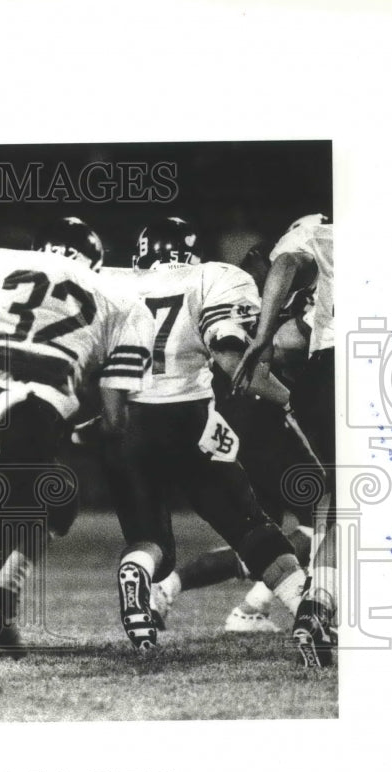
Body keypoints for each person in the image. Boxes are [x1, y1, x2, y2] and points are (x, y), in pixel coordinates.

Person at [0, 216, 154, 655]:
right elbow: (115, 419)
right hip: (31, 416)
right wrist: (79, 433)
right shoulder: (121, 298)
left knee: (58, 499)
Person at [93, 217, 308, 655]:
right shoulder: (213, 277)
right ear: (188, 252)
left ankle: (136, 570)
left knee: (150, 541)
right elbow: (234, 365)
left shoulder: (111, 284)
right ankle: (309, 610)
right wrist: (289, 400)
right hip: (187, 417)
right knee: (250, 527)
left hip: (128, 423)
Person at [151, 239, 323, 633]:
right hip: (262, 416)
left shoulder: (237, 294)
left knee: (266, 533)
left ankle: (229, 603)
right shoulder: (280, 305)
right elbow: (274, 350)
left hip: (243, 417)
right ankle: (250, 606)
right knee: (320, 525)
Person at [233, 214, 336, 668]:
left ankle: (315, 606)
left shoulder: (312, 237)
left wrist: (262, 335)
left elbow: (288, 262)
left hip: (335, 369)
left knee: (339, 504)